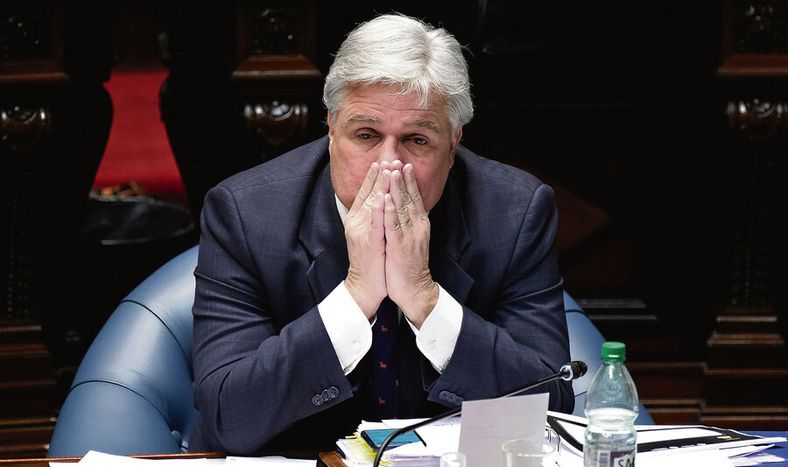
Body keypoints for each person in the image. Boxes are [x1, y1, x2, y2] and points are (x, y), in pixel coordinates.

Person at [190, 13, 572, 455]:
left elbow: (549, 412)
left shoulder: (516, 212)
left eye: (417, 140)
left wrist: (425, 298)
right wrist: (356, 295)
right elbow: (226, 419)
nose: (388, 164)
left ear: (454, 142)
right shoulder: (245, 214)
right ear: (331, 127)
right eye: (366, 134)